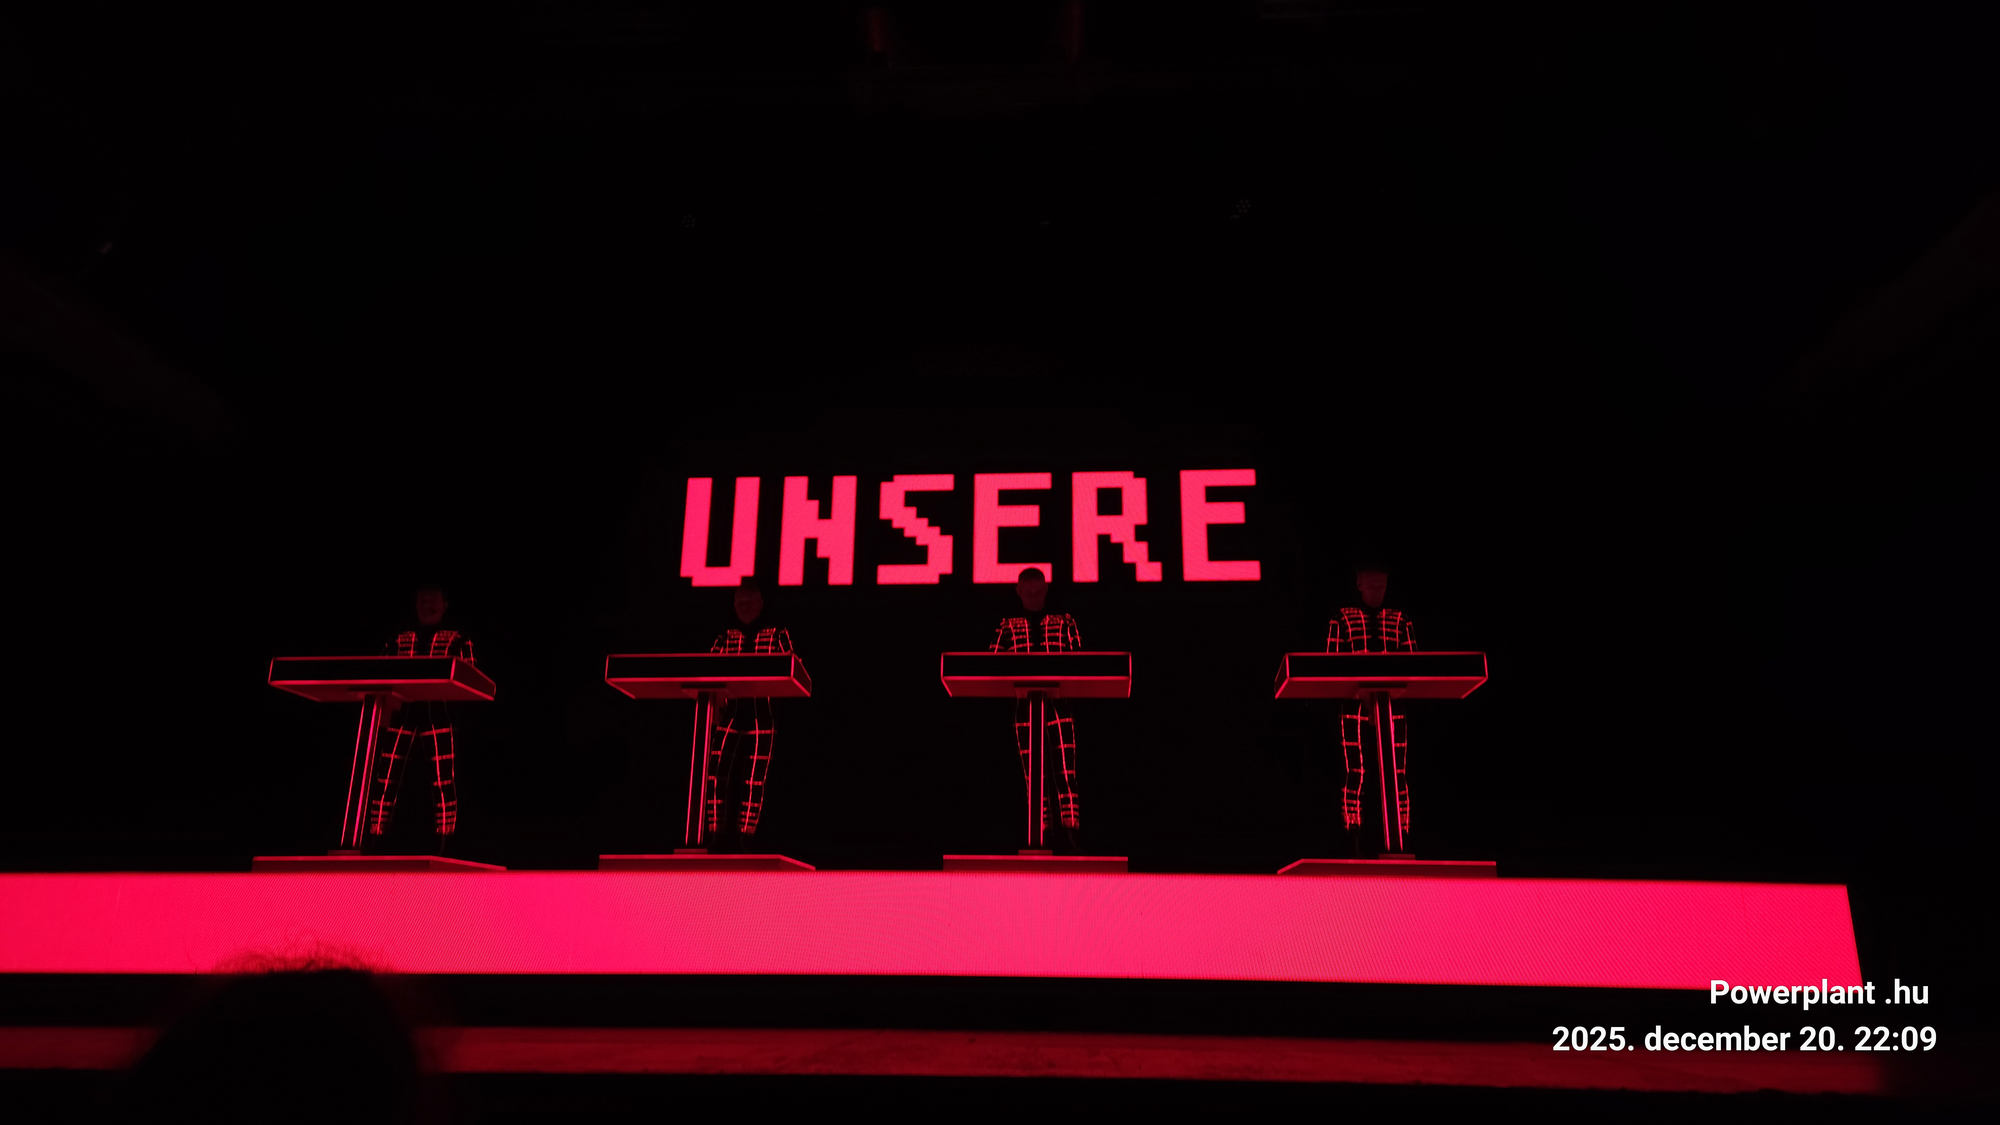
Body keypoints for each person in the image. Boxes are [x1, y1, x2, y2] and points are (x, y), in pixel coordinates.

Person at [366, 583, 471, 840]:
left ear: (445, 605)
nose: (428, 604)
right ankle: (375, 834)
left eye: (433, 599)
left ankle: (446, 838)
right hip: (400, 714)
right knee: (384, 777)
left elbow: (470, 676)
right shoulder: (398, 637)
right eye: (423, 600)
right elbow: (377, 671)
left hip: (440, 715)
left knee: (443, 780)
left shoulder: (458, 638)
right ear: (415, 605)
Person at [1326, 563, 1416, 854]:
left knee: (1397, 771)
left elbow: (1415, 664)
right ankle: (1353, 835)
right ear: (1360, 585)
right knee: (1355, 770)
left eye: (1382, 586)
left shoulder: (1400, 619)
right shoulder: (1343, 618)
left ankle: (1400, 834)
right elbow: (1330, 664)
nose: (1378, 591)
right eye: (1372, 585)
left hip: (1394, 704)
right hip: (1353, 706)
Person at [990, 567, 1083, 840]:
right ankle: (1041, 832)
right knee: (1032, 772)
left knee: (1066, 768)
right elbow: (991, 665)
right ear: (1018, 591)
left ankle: (1071, 833)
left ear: (1046, 589)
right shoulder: (1006, 626)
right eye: (1028, 591)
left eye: (1038, 590)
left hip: (1060, 704)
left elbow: (1082, 662)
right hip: (1024, 706)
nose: (1033, 595)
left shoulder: (1065, 622)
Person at [705, 578, 791, 839]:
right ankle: (715, 833)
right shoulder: (725, 635)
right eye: (739, 602)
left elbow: (792, 667)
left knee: (755, 778)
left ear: (760, 603)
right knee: (715, 774)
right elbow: (705, 669)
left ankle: (747, 836)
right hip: (729, 714)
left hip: (763, 714)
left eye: (748, 601)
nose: (743, 607)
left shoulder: (777, 633)